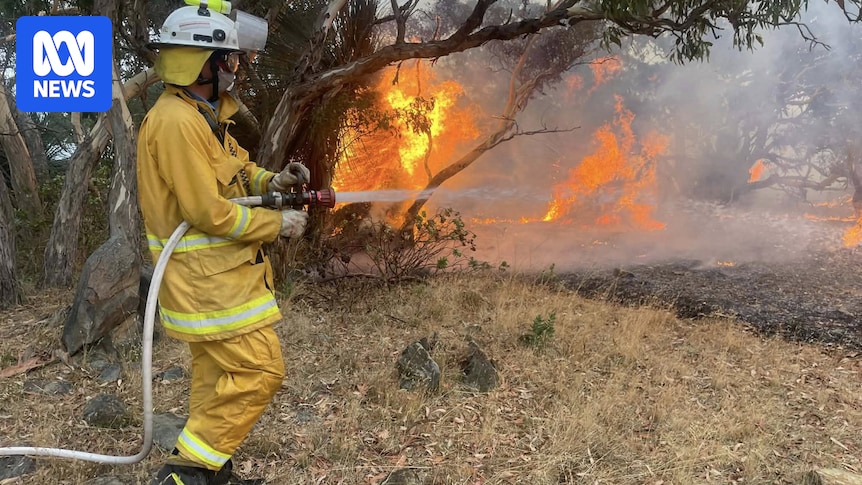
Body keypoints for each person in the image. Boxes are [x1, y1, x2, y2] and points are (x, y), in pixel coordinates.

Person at [137, 4, 309, 484]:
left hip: (221, 280)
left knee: (215, 383)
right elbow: (206, 211)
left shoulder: (201, 114)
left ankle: (207, 473)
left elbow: (236, 168)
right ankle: (184, 478)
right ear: (202, 64)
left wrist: (273, 180)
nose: (235, 70)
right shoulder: (174, 122)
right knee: (261, 371)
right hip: (206, 287)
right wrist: (276, 225)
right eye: (228, 61)